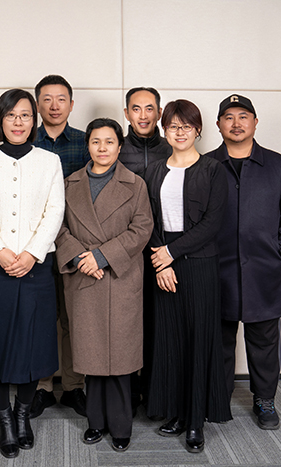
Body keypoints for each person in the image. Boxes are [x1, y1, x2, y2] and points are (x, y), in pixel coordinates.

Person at [0, 89, 64, 458]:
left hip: (36, 267)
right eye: (10, 115)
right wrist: (0, 252)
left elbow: (55, 210)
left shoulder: (49, 161)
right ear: (0, 120)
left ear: (33, 120)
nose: (18, 122)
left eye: (25, 115)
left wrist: (32, 253)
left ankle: (23, 416)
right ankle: (4, 419)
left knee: (32, 342)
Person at [205, 94, 281, 430]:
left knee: (264, 342)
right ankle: (218, 397)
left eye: (243, 116)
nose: (236, 123)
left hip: (263, 270)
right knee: (218, 340)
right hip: (217, 269)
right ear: (219, 124)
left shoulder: (277, 165)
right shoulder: (206, 165)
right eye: (229, 117)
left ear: (255, 122)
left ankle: (264, 400)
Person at [55, 118, 153, 452]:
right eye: (96, 141)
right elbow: (57, 228)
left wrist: (101, 256)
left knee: (121, 357)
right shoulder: (69, 184)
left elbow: (142, 229)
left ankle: (121, 425)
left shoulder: (135, 185)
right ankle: (96, 422)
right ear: (88, 145)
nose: (102, 148)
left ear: (119, 146)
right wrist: (81, 257)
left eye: (109, 142)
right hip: (83, 277)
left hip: (120, 278)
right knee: (92, 355)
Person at [144, 100, 232, 453]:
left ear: (198, 130)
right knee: (170, 340)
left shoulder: (213, 170)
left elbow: (213, 223)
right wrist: (161, 262)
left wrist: (171, 253)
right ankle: (177, 413)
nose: (179, 132)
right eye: (172, 126)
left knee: (198, 340)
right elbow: (148, 219)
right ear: (164, 130)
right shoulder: (154, 171)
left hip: (199, 264)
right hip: (163, 263)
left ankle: (196, 420)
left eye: (186, 126)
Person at [30, 74, 90, 418]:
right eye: (47, 99)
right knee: (41, 318)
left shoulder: (85, 143)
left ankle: (73, 386)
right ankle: (41, 387)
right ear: (37, 104)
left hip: (75, 244)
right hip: (34, 244)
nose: (54, 106)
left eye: (61, 99)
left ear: (71, 103)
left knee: (73, 318)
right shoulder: (25, 141)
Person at [118, 87, 173, 414]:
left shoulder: (172, 148)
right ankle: (126, 395)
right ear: (126, 113)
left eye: (149, 108)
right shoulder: (115, 149)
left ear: (159, 112)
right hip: (125, 253)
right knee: (125, 324)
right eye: (136, 109)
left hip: (161, 252)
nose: (143, 115)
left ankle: (154, 394)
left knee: (157, 324)